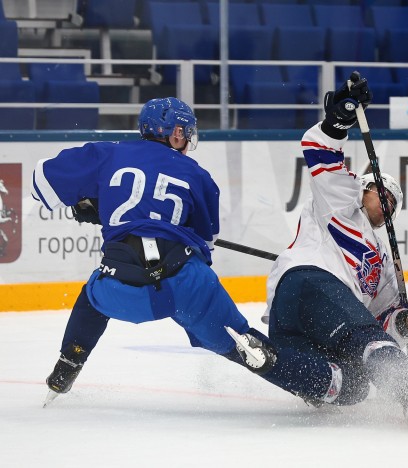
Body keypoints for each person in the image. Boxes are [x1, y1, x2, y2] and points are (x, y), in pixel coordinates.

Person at [31, 97, 345, 408]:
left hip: (120, 285)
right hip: (184, 283)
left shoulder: (107, 153)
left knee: (92, 295)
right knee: (239, 341)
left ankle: (67, 367)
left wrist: (93, 201)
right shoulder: (198, 177)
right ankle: (324, 383)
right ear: (176, 133)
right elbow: (205, 246)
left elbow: (39, 181)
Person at [261, 72, 408, 430]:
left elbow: (384, 320)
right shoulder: (341, 202)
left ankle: (266, 359)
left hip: (294, 330)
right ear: (361, 189)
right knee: (366, 340)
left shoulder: (382, 263)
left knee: (354, 386)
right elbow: (321, 152)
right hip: (309, 285)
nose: (388, 204)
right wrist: (340, 118)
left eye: (394, 203)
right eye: (382, 193)